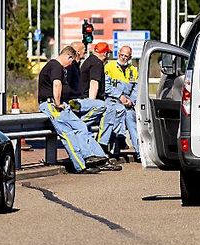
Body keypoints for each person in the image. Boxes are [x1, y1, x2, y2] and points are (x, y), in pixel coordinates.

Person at [37, 46, 115, 174]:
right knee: (68, 135)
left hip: (60, 104)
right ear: (69, 57)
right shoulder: (56, 66)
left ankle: (88, 156)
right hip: (52, 104)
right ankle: (80, 166)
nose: (70, 65)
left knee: (81, 127)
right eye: (71, 61)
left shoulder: (56, 66)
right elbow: (57, 84)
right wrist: (57, 103)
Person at [104, 45, 140, 158]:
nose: (123, 57)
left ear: (130, 57)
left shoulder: (133, 70)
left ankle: (139, 153)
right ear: (118, 54)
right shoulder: (109, 67)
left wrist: (131, 101)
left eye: (126, 56)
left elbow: (136, 88)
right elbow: (106, 86)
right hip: (112, 101)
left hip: (127, 104)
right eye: (122, 55)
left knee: (131, 121)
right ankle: (114, 149)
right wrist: (120, 96)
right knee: (117, 116)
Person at [71, 42, 110, 145]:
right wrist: (92, 102)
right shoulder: (97, 63)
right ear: (105, 53)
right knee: (110, 111)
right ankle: (102, 144)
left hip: (81, 98)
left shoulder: (89, 61)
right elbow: (94, 83)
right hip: (87, 99)